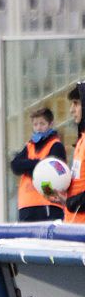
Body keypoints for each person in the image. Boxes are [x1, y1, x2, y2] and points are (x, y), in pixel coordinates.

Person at [10, 107, 67, 221]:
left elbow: (51, 172)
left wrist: (28, 166)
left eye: (42, 124)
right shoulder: (29, 146)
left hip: (48, 203)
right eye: (35, 124)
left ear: (50, 124)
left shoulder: (56, 146)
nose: (38, 128)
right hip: (26, 205)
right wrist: (39, 163)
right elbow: (15, 165)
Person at [65, 82, 85, 223]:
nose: (72, 110)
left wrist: (74, 202)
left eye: (76, 103)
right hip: (74, 225)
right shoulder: (81, 139)